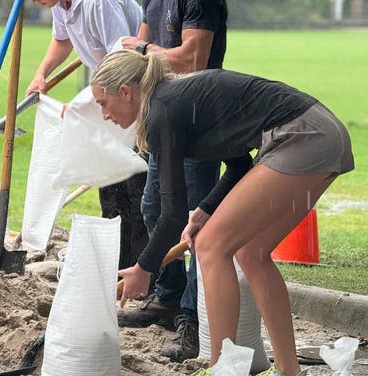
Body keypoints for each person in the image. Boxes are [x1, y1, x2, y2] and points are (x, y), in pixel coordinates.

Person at [91, 49, 353, 376]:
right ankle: (287, 369)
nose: (104, 114)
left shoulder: (163, 111)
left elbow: (171, 213)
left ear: (126, 92)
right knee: (251, 252)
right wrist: (203, 212)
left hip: (303, 136)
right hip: (320, 132)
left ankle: (223, 369)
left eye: (103, 103)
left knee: (212, 246)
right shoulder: (172, 101)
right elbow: (239, 164)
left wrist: (144, 267)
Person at [115, 0, 228, 363]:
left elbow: (193, 59)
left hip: (197, 118)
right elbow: (136, 54)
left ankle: (192, 320)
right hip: (162, 114)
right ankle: (167, 296)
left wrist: (145, 50)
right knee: (153, 206)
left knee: (195, 224)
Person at [26, 0, 147, 270]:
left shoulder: (99, 4)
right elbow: (62, 39)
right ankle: (118, 265)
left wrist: (83, 104)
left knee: (137, 186)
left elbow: (124, 57)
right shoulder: (61, 5)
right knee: (111, 184)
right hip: (110, 93)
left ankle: (145, 271)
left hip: (135, 96)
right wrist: (41, 74)